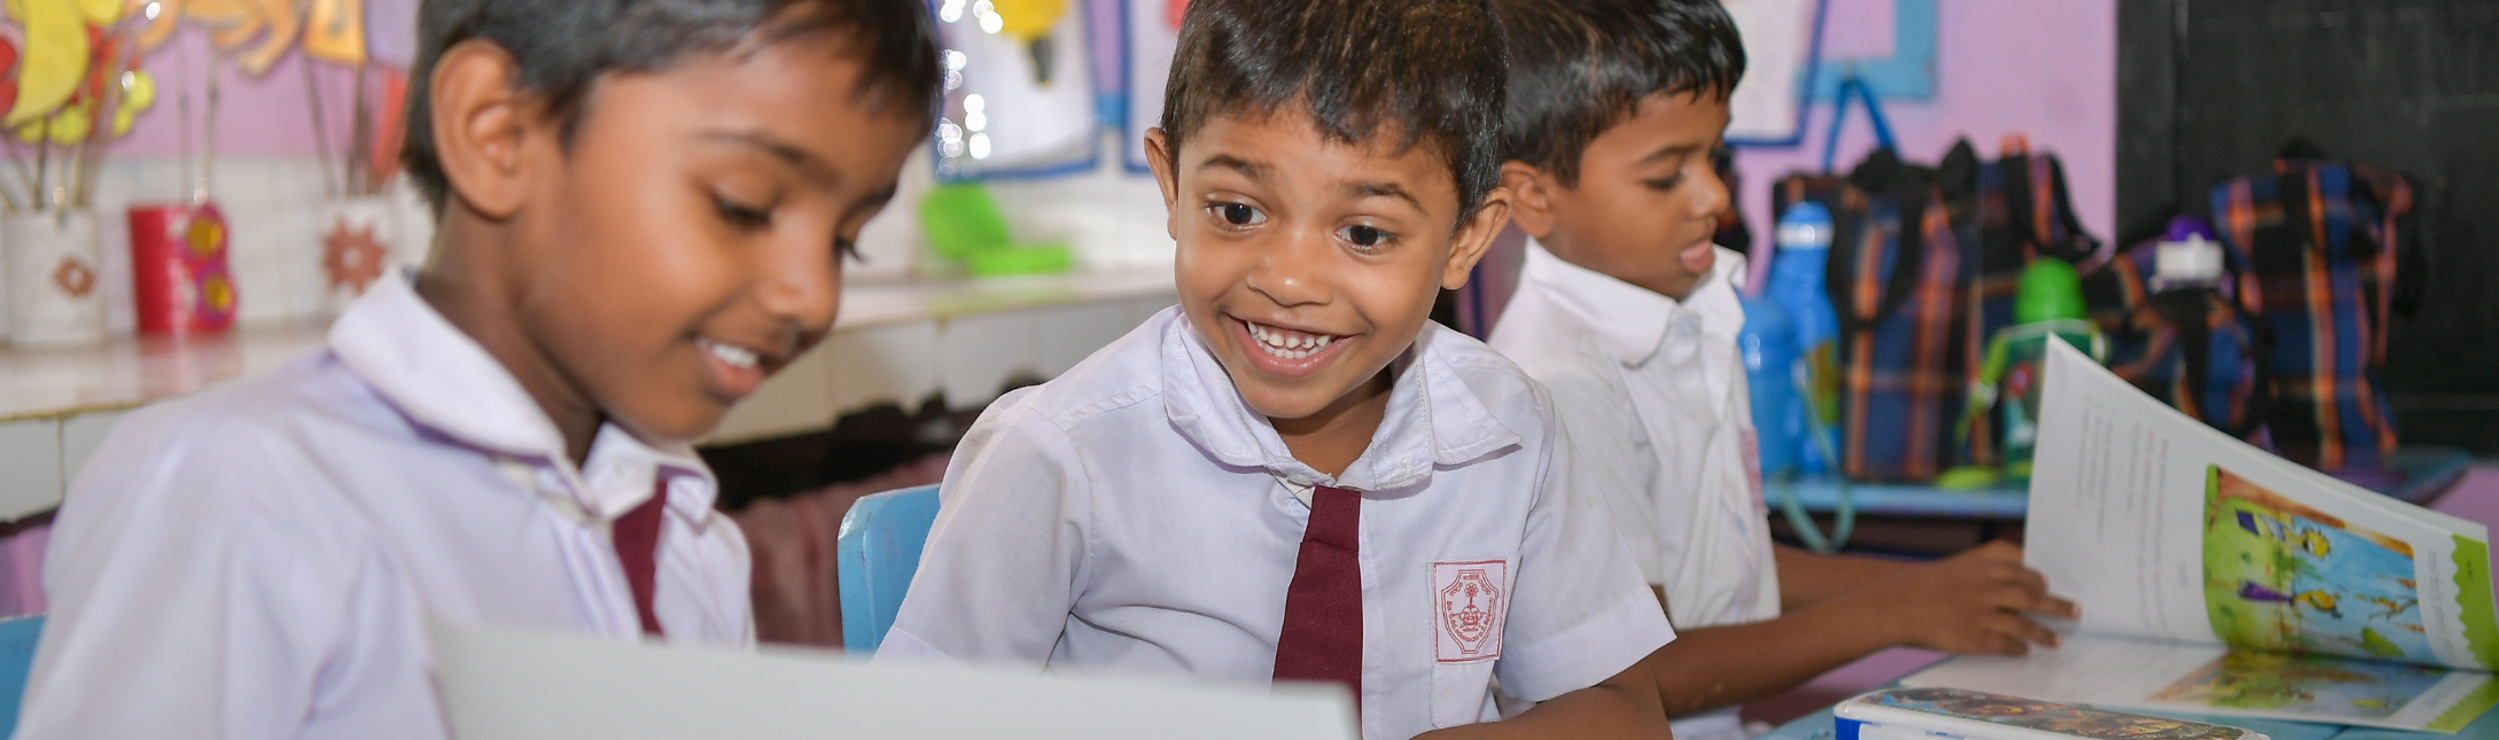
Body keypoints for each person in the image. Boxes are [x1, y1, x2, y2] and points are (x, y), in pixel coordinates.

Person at [15, 1, 938, 736]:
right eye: (743, 206)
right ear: (496, 132)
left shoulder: (689, 539)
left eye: (845, 241)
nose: (811, 298)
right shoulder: (244, 494)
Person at [874, 0, 1676, 737]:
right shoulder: (1059, 453)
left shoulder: (1507, 430)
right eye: (1236, 212)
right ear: (1172, 184)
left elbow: (1618, 710)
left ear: (1466, 239)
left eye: (1364, 233)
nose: (1287, 282)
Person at [1483, 1, 2078, 737]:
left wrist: (1939, 586)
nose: (1716, 197)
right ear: (1534, 196)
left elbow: (1725, 564)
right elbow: (1646, 677)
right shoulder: (1561, 381)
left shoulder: (1682, 310)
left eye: (1715, 157)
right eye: (1667, 176)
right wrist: (1898, 612)